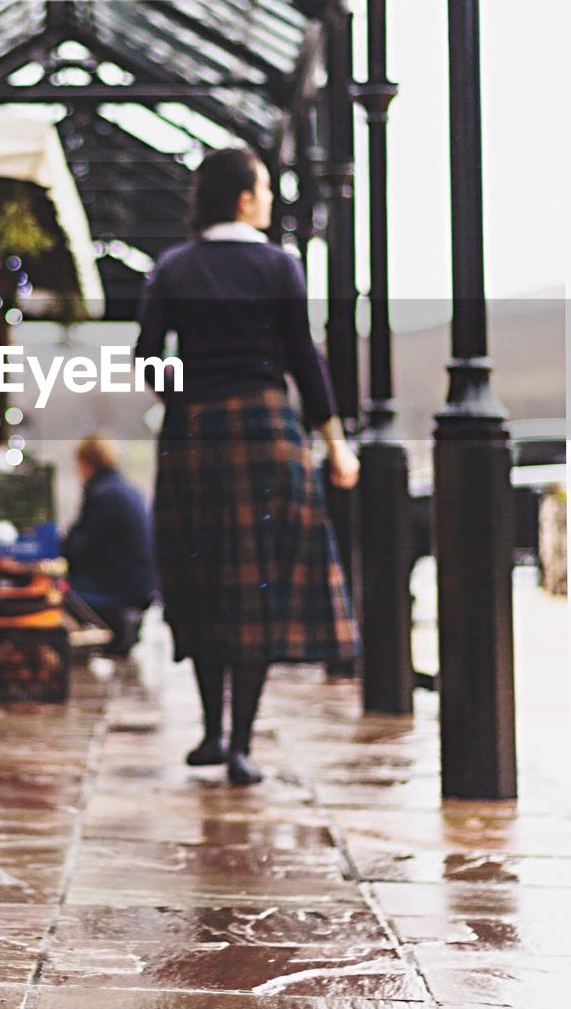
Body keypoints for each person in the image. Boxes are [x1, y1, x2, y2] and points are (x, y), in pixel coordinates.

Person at [135, 146, 360, 785]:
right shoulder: (279, 267)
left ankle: (209, 733)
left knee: (204, 576)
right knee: (257, 585)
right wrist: (336, 444)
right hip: (267, 431)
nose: (268, 200)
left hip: (195, 436)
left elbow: (148, 356)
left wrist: (187, 403)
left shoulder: (173, 268)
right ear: (243, 197)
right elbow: (305, 362)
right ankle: (240, 746)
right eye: (262, 189)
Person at [62, 435, 156, 655]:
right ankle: (120, 623)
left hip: (117, 586)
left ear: (87, 463)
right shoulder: (124, 488)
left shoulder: (103, 494)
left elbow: (82, 546)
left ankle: (115, 624)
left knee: (57, 591)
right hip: (141, 585)